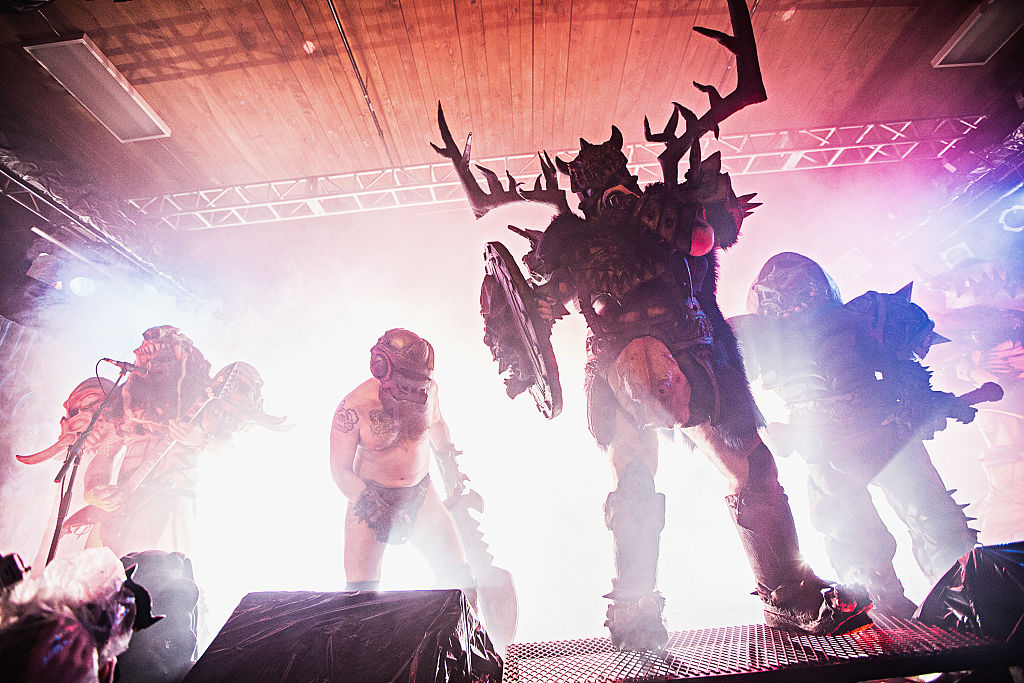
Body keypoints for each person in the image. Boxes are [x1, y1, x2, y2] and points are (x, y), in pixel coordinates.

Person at [729, 252, 980, 616]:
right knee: (868, 552)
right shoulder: (853, 319)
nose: (794, 300)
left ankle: (962, 614)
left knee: (930, 533)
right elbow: (733, 398)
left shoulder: (856, 319)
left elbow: (905, 378)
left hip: (871, 439)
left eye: (800, 290)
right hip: (849, 445)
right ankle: (897, 628)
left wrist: (934, 405)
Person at [22, 325, 285, 560]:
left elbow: (228, 446)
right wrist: (93, 490)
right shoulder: (127, 401)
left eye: (162, 357)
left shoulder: (201, 400)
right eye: (147, 357)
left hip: (168, 499)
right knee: (98, 586)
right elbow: (105, 454)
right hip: (121, 507)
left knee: (153, 580)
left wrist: (201, 440)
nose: (152, 363)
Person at [330, 328, 476, 600]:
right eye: (407, 381)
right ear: (382, 369)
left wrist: (451, 471)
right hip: (371, 496)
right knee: (360, 599)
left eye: (419, 381)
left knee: (460, 581)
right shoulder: (354, 408)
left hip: (421, 493)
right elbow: (340, 471)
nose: (415, 390)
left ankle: (467, 642)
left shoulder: (429, 390)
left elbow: (438, 425)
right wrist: (374, 509)